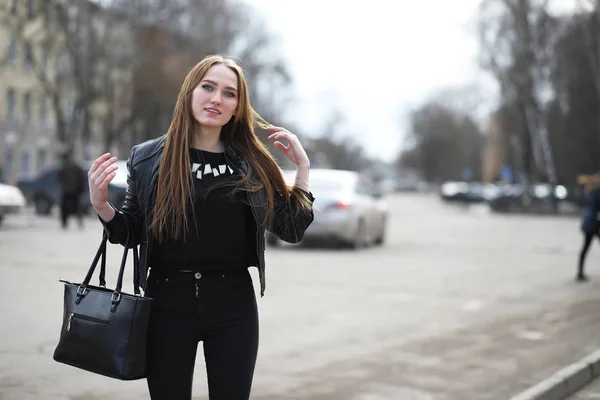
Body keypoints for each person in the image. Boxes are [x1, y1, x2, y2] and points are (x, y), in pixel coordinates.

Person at [87, 55, 315, 399]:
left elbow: (291, 228)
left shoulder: (251, 163)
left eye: (229, 93)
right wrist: (102, 205)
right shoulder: (148, 158)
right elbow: (131, 231)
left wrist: (302, 168)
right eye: (208, 87)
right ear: (189, 92)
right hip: (166, 301)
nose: (216, 99)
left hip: (233, 304)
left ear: (238, 107)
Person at [576, 174, 600, 281]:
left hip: (588, 223)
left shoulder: (589, 194)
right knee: (585, 248)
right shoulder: (597, 194)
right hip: (594, 224)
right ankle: (580, 273)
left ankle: (580, 272)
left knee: (585, 249)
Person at [58, 154, 85, 229]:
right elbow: (82, 179)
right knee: (77, 207)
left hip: (67, 191)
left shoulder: (64, 167)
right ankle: (79, 223)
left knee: (65, 208)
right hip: (75, 191)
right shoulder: (77, 167)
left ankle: (64, 223)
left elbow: (59, 178)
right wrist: (81, 190)